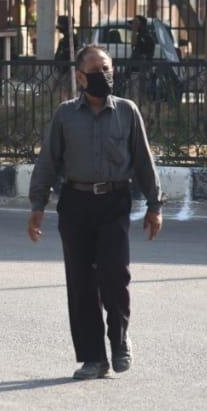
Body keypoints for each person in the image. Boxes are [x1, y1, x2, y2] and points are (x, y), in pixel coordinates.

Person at [27, 45, 164, 380]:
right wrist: (37, 206)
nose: (104, 75)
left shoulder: (127, 112)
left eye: (107, 68)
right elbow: (48, 162)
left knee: (115, 276)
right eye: (96, 70)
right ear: (80, 77)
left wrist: (155, 205)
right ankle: (93, 358)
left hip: (114, 202)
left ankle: (120, 341)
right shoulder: (65, 115)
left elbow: (143, 160)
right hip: (76, 203)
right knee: (82, 282)